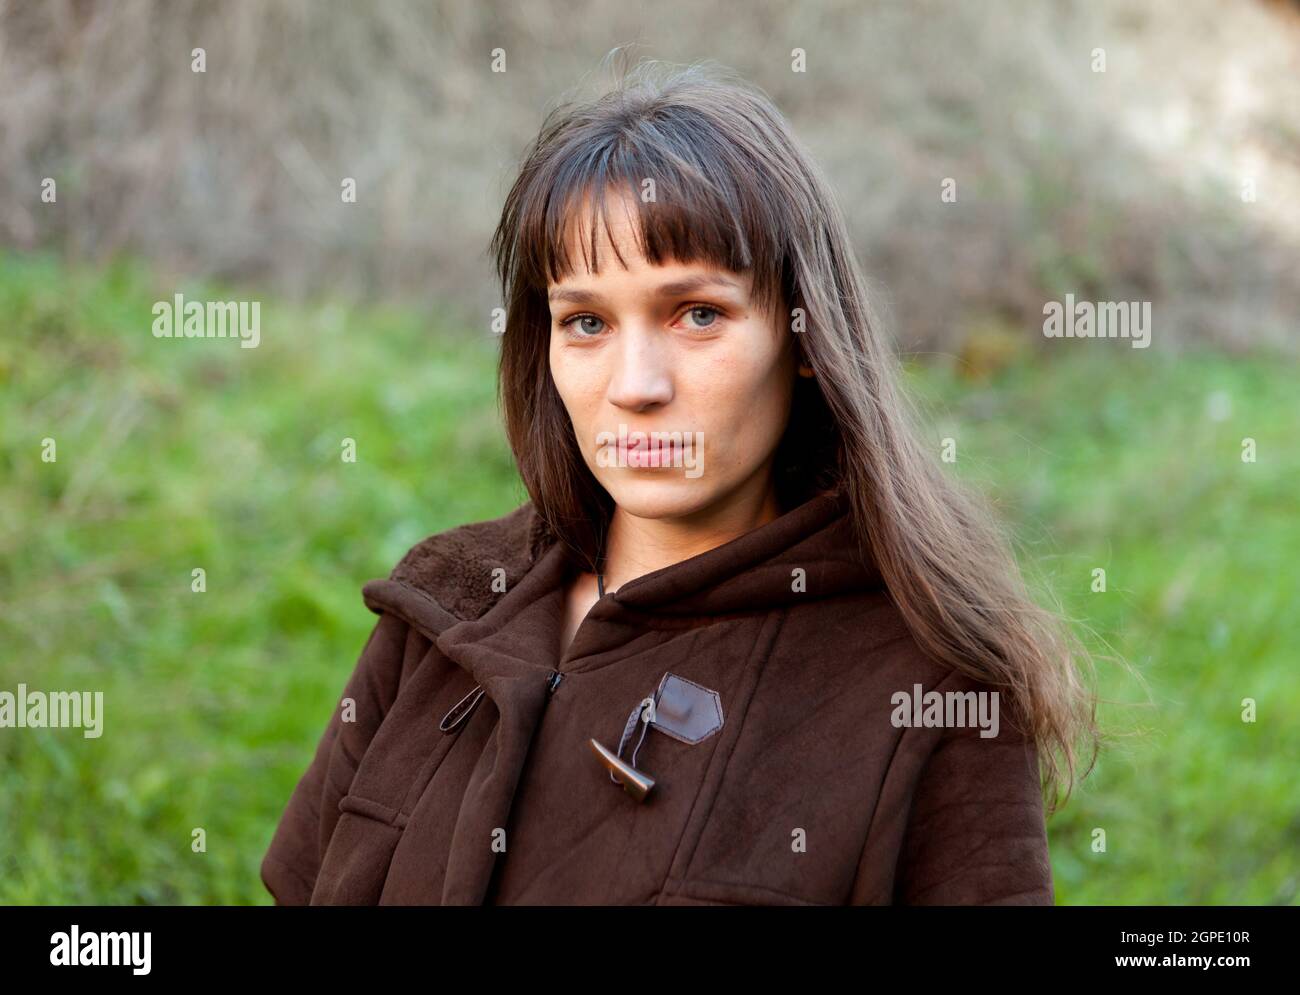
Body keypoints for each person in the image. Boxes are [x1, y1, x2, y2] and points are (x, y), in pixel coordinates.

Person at [260, 58, 1097, 906]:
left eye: (698, 314)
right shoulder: (442, 604)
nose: (636, 384)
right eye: (585, 321)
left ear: (806, 338)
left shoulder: (931, 692)